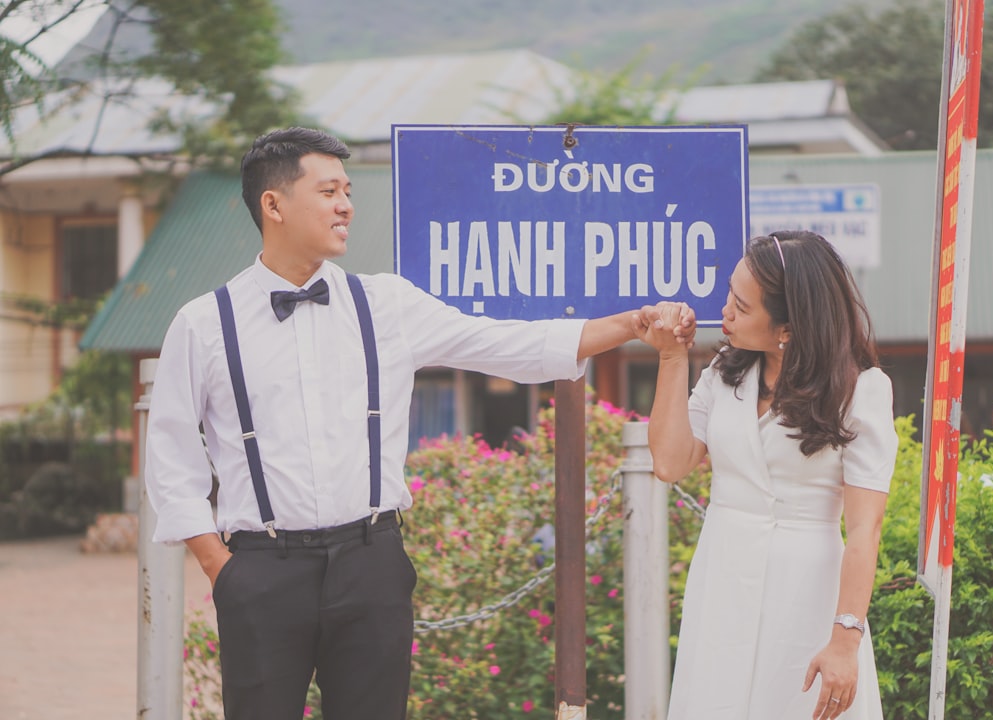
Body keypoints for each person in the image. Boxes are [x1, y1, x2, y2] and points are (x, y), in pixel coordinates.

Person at [144, 126, 695, 720]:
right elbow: (172, 456)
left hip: (372, 561)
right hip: (261, 571)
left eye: (347, 190)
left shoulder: (386, 303)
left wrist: (632, 324)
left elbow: (509, 343)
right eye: (328, 191)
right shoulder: (203, 323)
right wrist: (221, 568)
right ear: (273, 205)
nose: (346, 205)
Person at [635, 231, 898, 720]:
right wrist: (671, 358)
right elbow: (671, 463)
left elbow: (865, 529)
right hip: (721, 575)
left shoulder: (862, 389)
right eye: (730, 295)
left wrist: (845, 639)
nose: (725, 312)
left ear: (788, 328)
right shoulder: (724, 370)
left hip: (806, 588)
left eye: (742, 305)